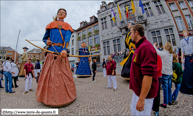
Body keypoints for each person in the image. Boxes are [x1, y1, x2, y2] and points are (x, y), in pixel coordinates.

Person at [36, 8, 76, 107]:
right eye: (60, 12)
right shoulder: (51, 25)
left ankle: (64, 97)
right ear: (57, 14)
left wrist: (64, 49)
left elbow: (67, 38)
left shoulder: (67, 26)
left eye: (63, 13)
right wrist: (47, 42)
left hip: (61, 51)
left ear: (65, 16)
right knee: (48, 75)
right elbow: (44, 38)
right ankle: (47, 97)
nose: (61, 14)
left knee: (63, 74)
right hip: (51, 51)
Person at [129, 24, 158, 115]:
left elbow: (148, 76)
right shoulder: (139, 47)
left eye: (131, 33)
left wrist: (142, 99)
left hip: (144, 94)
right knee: (134, 111)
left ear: (136, 33)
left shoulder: (146, 48)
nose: (130, 35)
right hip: (138, 90)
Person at [153, 42, 173, 108]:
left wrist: (154, 45)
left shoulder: (164, 53)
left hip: (165, 73)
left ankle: (165, 103)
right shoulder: (171, 54)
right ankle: (170, 101)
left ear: (166, 47)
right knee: (169, 88)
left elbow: (157, 51)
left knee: (165, 89)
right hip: (170, 73)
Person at [180, 30, 193, 95]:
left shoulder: (191, 38)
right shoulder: (182, 41)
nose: (185, 33)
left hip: (192, 55)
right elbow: (182, 50)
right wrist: (182, 58)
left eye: (186, 32)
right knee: (188, 73)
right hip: (187, 56)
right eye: (184, 33)